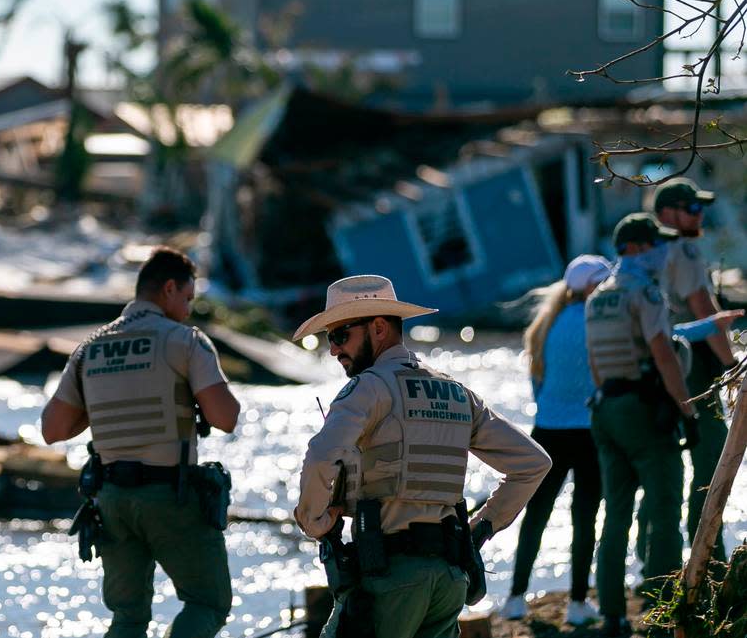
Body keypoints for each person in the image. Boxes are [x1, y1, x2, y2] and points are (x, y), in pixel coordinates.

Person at [293, 275, 551, 638]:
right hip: (450, 580)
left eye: (339, 335)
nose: (333, 349)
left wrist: (315, 521)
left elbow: (321, 455)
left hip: (389, 576)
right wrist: (483, 526)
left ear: (379, 328)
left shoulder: (369, 388)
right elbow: (533, 463)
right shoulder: (457, 392)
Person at [41, 247, 242, 638]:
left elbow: (53, 429)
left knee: (129, 617)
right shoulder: (185, 341)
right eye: (187, 299)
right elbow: (226, 417)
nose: (187, 310)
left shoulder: (91, 347)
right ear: (169, 288)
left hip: (111, 499)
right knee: (207, 601)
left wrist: (100, 406)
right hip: (171, 495)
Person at [585, 213, 697, 638]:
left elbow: (596, 366)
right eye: (653, 244)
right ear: (633, 247)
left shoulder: (598, 297)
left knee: (615, 513)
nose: (660, 252)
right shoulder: (645, 293)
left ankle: (612, 614)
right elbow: (664, 355)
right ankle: (663, 608)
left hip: (605, 409)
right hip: (642, 409)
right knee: (666, 505)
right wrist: (687, 411)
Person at [501, 255, 611, 626]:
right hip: (589, 431)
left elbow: (537, 384)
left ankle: (515, 598)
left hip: (546, 430)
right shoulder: (600, 321)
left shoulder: (545, 324)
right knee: (585, 518)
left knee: (536, 516)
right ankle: (579, 603)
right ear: (592, 286)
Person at [653, 177, 739, 560]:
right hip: (693, 370)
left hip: (658, 367)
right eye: (691, 208)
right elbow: (704, 308)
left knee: (664, 467)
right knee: (710, 460)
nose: (699, 213)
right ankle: (710, 554)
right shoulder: (683, 250)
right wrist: (732, 365)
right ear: (667, 214)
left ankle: (656, 562)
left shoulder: (646, 250)